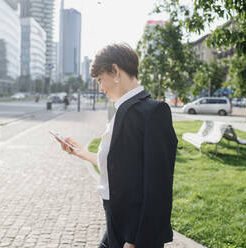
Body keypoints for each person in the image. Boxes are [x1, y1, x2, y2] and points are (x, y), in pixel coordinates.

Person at [55, 43, 178, 248]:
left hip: (136, 230)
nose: (101, 88)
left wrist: (134, 240)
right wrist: (81, 153)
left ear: (115, 71)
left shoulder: (153, 113)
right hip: (116, 218)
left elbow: (158, 187)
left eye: (101, 80)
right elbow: (118, 165)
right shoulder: (122, 111)